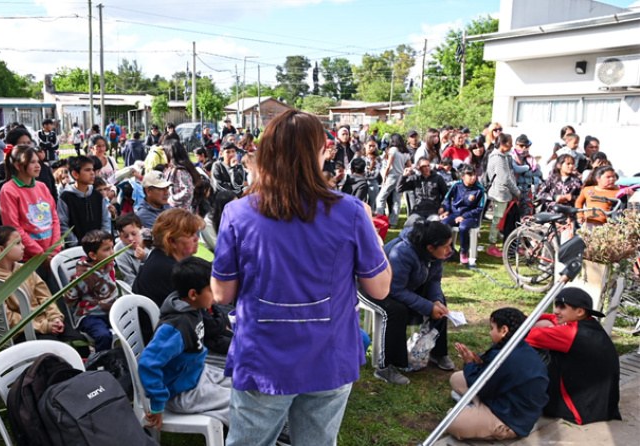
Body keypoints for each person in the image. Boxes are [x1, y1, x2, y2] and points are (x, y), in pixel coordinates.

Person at [211, 110, 391, 445]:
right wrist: (374, 236)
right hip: (328, 355)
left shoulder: (237, 212)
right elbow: (379, 288)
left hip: (263, 355)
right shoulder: (350, 211)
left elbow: (222, 294)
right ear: (322, 151)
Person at [139, 257, 232, 430]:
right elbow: (147, 363)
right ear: (193, 294)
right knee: (238, 403)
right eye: (212, 290)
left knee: (243, 385)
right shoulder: (175, 328)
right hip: (182, 393)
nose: (217, 294)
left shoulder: (192, 307)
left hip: (196, 374)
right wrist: (158, 403)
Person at [0, 225, 88, 357]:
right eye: (17, 243)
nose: (23, 247)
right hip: (21, 332)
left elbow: (46, 297)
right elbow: (8, 319)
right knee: (59, 352)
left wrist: (55, 318)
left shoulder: (24, 269)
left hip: (46, 323)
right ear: (1, 249)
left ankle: (84, 375)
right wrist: (44, 326)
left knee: (80, 342)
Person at [371, 221, 453, 385]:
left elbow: (434, 281)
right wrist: (429, 307)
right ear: (430, 247)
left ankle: (437, 352)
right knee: (397, 310)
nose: (450, 250)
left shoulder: (435, 253)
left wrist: (435, 301)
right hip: (375, 286)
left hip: (404, 285)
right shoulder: (402, 252)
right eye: (446, 246)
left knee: (440, 302)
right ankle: (385, 367)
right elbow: (394, 290)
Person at [448, 308, 549, 441]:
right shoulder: (517, 346)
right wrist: (479, 361)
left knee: (453, 421)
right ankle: (476, 409)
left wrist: (469, 363)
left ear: (504, 331)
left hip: (511, 419)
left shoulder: (505, 357)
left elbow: (479, 386)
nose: (490, 332)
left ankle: (499, 427)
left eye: (492, 328)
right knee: (456, 379)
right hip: (506, 400)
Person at [526, 287, 621, 425]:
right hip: (599, 405)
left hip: (579, 409)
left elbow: (521, 335)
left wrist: (514, 321)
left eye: (562, 307)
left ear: (580, 311)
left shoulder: (570, 333)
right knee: (547, 325)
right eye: (556, 305)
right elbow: (551, 318)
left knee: (529, 351)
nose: (556, 311)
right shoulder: (588, 323)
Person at [0, 144, 61, 272]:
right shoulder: (9, 190)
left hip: (51, 254)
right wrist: (41, 255)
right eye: (32, 162)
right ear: (18, 165)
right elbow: (14, 228)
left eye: (38, 161)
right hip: (27, 258)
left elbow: (54, 219)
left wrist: (54, 250)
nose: (38, 165)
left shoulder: (42, 186)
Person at [133, 208, 204, 308]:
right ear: (171, 241)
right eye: (190, 235)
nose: (196, 239)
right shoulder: (170, 270)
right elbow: (193, 310)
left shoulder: (159, 255)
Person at [63, 230, 119, 352]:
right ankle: (103, 363)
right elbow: (69, 299)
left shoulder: (109, 265)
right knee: (103, 335)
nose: (112, 252)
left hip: (111, 310)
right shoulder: (86, 277)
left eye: (112, 248)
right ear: (93, 256)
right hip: (92, 315)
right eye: (107, 250)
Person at [57, 155, 111, 247]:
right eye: (87, 170)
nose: (92, 173)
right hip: (76, 249)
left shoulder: (97, 195)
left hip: (99, 247)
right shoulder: (66, 197)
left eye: (92, 169)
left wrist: (102, 240)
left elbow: (105, 220)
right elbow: (63, 224)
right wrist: (75, 243)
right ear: (75, 174)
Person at [440, 164, 485, 264]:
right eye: (470, 175)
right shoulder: (456, 185)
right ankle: (450, 250)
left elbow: (479, 208)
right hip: (455, 213)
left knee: (463, 227)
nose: (473, 177)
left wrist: (464, 216)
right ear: (463, 176)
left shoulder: (479, 189)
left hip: (471, 216)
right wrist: (447, 210)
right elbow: (447, 198)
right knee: (443, 224)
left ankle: (464, 252)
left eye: (474, 175)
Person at [485, 133, 521, 258]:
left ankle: (512, 245)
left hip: (505, 193)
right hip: (500, 193)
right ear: (502, 143)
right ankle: (491, 246)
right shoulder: (497, 157)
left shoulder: (504, 156)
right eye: (509, 142)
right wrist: (516, 191)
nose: (511, 145)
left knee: (508, 220)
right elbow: (505, 178)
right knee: (497, 220)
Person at [397, 158, 449, 227]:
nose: (427, 168)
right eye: (424, 166)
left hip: (433, 210)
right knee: (408, 225)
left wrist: (442, 207)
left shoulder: (438, 178)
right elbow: (399, 189)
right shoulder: (415, 179)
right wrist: (404, 176)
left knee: (433, 226)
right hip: (418, 210)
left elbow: (447, 195)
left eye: (428, 166)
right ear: (419, 168)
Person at [0, 126, 35, 197]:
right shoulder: (3, 168)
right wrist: (18, 178)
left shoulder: (38, 166)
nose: (27, 147)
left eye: (28, 143)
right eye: (23, 144)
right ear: (13, 147)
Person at [377, 133, 411, 227]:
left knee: (381, 198)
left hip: (392, 176)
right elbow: (410, 166)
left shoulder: (393, 150)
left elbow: (388, 165)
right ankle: (393, 223)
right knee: (397, 201)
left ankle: (380, 220)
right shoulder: (406, 152)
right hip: (401, 177)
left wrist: (384, 178)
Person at [164, 139, 203, 212]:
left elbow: (188, 190)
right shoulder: (171, 169)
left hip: (180, 213)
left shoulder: (180, 171)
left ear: (169, 154)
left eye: (164, 153)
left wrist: (172, 199)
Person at [511, 134, 542, 217]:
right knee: (514, 213)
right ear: (516, 145)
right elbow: (515, 169)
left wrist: (525, 172)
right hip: (515, 189)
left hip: (527, 189)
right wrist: (527, 168)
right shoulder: (512, 157)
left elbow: (538, 172)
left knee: (527, 212)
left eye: (526, 146)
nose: (524, 148)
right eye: (521, 146)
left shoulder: (530, 158)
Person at [115, 213, 150, 286]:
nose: (130, 239)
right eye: (125, 236)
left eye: (134, 234)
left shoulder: (152, 240)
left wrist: (146, 258)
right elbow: (130, 281)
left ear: (142, 230)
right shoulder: (120, 251)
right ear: (120, 237)